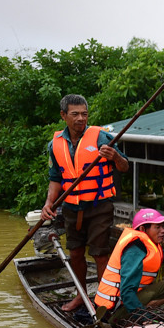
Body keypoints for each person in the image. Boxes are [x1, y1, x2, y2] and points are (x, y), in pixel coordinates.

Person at [41, 94, 130, 315]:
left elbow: (124, 166)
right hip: (71, 208)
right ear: (63, 115)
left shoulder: (101, 137)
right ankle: (81, 295)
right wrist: (49, 203)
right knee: (76, 253)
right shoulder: (55, 144)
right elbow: (55, 178)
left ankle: (104, 300)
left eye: (84, 114)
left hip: (99, 207)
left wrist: (115, 157)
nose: (81, 118)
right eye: (75, 114)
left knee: (100, 254)